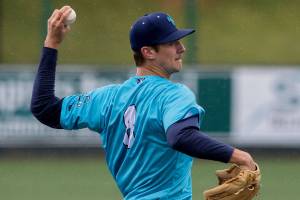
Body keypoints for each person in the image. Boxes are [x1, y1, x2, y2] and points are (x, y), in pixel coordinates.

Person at [31, 5, 257, 200]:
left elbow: (44, 108)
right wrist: (239, 156)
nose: (182, 48)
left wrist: (51, 43)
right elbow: (180, 136)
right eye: (172, 42)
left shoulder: (107, 98)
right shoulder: (174, 95)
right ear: (148, 52)